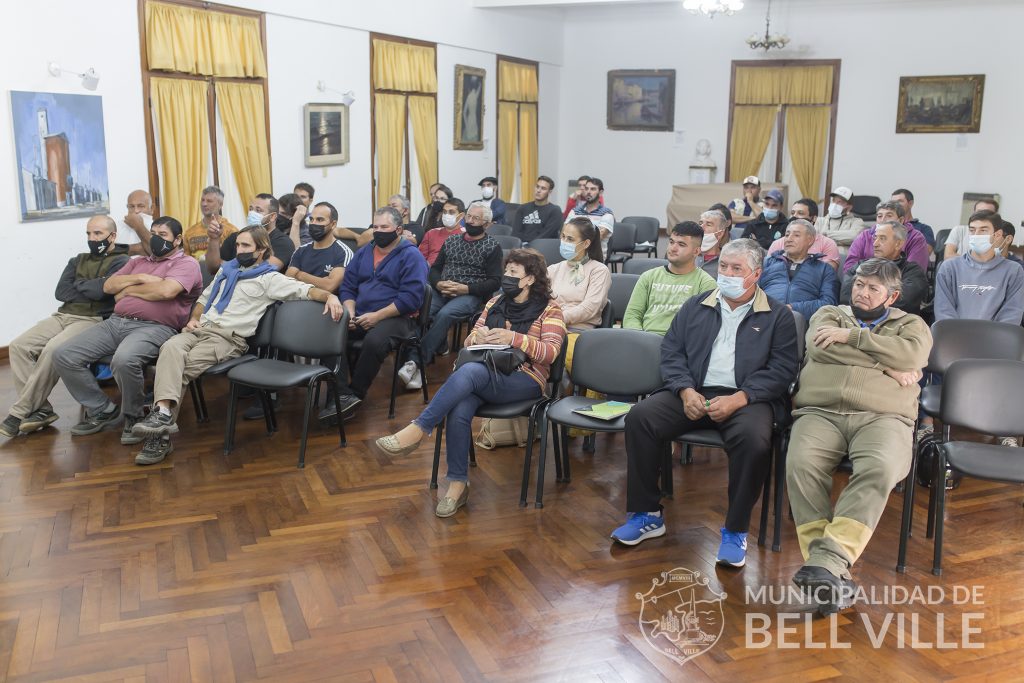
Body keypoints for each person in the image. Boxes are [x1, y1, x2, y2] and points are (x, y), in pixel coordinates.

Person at [610, 239, 800, 568]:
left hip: (747, 398)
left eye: (736, 268)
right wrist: (685, 390)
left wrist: (740, 398)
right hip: (694, 390)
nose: (726, 273)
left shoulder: (778, 315)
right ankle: (647, 514)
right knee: (641, 417)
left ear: (755, 274)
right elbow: (672, 352)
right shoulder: (696, 305)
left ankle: (735, 530)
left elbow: (782, 370)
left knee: (753, 439)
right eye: (723, 266)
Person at [127, 225, 344, 465]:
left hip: (228, 338)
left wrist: (330, 296)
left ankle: (159, 436)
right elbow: (203, 299)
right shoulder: (226, 271)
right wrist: (194, 318)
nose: (239, 250)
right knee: (169, 347)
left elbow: (306, 291)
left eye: (246, 245)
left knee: (178, 369)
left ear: (261, 250)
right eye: (238, 245)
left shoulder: (269, 279)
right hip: (200, 329)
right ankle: (163, 414)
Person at [374, 248, 566, 518]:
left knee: (470, 373)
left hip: (525, 379)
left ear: (530, 279)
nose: (507, 276)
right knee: (460, 404)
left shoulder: (550, 309)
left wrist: (514, 338)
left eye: (513, 272)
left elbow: (551, 353)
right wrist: (478, 337)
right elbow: (469, 340)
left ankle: (420, 428)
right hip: (486, 373)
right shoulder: (495, 302)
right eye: (506, 271)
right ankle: (457, 485)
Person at [787, 258, 931, 614]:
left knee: (881, 468)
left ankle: (826, 564)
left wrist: (853, 338)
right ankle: (829, 569)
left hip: (884, 416)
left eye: (872, 288)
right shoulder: (830, 314)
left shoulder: (911, 324)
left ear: (892, 296)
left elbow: (913, 354)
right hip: (820, 411)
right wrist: (888, 365)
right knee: (801, 464)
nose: (862, 293)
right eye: (859, 285)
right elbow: (820, 347)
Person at [52, 217, 203, 443]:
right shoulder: (137, 262)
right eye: (153, 234)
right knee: (64, 355)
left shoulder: (187, 263)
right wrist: (141, 278)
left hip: (156, 327)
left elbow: (166, 291)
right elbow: (108, 286)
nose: (156, 239)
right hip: (116, 322)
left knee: (124, 360)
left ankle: (133, 416)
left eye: (162, 235)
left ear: (177, 239)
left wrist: (128, 290)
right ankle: (102, 409)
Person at [1, 216, 130, 438]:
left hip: (93, 319)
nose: (92, 238)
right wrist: (94, 286)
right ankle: (41, 410)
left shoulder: (122, 261)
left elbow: (102, 294)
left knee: (53, 349)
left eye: (98, 233)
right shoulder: (77, 260)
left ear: (112, 236)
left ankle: (19, 412)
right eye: (88, 234)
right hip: (63, 315)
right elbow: (61, 292)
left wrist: (82, 285)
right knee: (19, 346)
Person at [926, 210, 1024, 446]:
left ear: (997, 235)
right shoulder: (949, 268)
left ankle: (1005, 430)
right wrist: (961, 344)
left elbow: (1011, 314)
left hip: (995, 349)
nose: (976, 235)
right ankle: (927, 426)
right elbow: (944, 312)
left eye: (983, 230)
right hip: (954, 347)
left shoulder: (1013, 271)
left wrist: (988, 345)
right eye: (972, 230)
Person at [331, 207, 429, 419]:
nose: (378, 231)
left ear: (399, 230)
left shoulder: (412, 256)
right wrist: (349, 312)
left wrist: (377, 316)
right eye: (375, 227)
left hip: (398, 318)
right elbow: (348, 286)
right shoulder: (364, 252)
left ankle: (355, 394)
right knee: (330, 332)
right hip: (360, 313)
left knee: (374, 341)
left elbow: (411, 299)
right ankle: (340, 393)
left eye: (384, 227)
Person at [398, 202, 502, 390]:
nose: (470, 221)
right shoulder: (452, 240)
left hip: (470, 294)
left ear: (486, 224)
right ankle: (415, 365)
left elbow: (495, 282)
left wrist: (466, 289)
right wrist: (438, 283)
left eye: (476, 218)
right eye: (469, 216)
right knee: (421, 312)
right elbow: (435, 269)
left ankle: (416, 362)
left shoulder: (492, 247)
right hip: (443, 290)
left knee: (445, 315)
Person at [623, 221, 716, 336]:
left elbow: (704, 325)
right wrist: (639, 339)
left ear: (696, 251)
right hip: (645, 340)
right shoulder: (648, 277)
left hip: (681, 344)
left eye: (681, 244)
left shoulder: (706, 284)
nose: (673, 248)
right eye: (671, 242)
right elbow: (632, 315)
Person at [840, 221, 928, 317]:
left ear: (898, 244)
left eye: (882, 238)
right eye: (875, 238)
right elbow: (845, 296)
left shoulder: (912, 272)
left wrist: (866, 308)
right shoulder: (860, 265)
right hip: (853, 319)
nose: (875, 244)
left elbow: (904, 302)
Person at [758, 219, 838, 319]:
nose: (789, 239)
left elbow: (829, 303)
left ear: (810, 240)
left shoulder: (824, 269)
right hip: (764, 316)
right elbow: (750, 293)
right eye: (787, 235)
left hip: (800, 320)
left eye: (796, 235)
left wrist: (793, 308)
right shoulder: (766, 263)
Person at [549, 217, 612, 332]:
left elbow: (590, 308)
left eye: (570, 239)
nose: (564, 242)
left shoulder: (599, 271)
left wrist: (557, 317)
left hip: (578, 331)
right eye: (563, 236)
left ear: (586, 243)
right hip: (548, 327)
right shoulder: (553, 269)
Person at [208, 194, 295, 275]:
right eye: (250, 209)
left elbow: (262, 270)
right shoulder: (235, 237)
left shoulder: (283, 242)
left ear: (272, 217)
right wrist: (214, 239)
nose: (252, 213)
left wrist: (228, 266)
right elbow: (214, 269)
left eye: (258, 210)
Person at [286, 201, 354, 294]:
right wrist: (320, 281)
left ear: (333, 224)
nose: (313, 223)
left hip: (327, 301)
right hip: (299, 298)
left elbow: (329, 286)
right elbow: (288, 281)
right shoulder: (301, 250)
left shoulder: (344, 252)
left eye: (320, 220)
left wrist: (300, 275)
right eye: (311, 219)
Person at [843, 201, 928, 273]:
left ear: (901, 220)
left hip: (898, 284)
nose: (883, 220)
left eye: (889, 216)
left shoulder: (915, 238)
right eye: (879, 216)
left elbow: (914, 272)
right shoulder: (864, 236)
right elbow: (849, 267)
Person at [769, 199, 841, 270]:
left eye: (800, 213)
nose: (794, 216)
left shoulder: (827, 244)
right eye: (792, 213)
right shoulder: (778, 243)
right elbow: (769, 270)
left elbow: (828, 273)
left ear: (814, 218)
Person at [181, 186, 238, 262]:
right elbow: (185, 260)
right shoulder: (190, 232)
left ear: (220, 205)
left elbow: (235, 260)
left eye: (209, 201)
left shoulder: (231, 231)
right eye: (202, 200)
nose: (204, 204)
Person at [511, 175, 563, 244]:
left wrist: (531, 245)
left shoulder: (555, 211)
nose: (538, 190)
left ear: (549, 192)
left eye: (543, 188)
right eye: (537, 187)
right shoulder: (522, 208)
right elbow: (515, 233)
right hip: (522, 246)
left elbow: (546, 235)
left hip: (543, 246)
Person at [418, 197, 466, 266]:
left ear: (461, 215)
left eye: (451, 212)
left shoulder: (466, 235)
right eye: (445, 212)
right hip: (429, 270)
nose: (447, 215)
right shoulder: (431, 233)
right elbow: (420, 259)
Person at [571, 177, 615, 247]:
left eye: (593, 189)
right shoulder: (575, 211)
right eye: (586, 189)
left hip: (594, 253)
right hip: (572, 251)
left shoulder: (606, 214)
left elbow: (597, 238)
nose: (588, 192)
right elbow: (564, 233)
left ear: (600, 192)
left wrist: (574, 235)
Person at [697, 208, 730, 278]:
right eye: (700, 223)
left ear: (720, 234)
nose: (701, 227)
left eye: (708, 224)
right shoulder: (688, 255)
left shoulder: (727, 261)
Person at [121, 190, 154, 256]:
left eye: (141, 206)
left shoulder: (161, 227)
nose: (136, 211)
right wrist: (139, 248)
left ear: (152, 208)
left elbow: (157, 252)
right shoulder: (117, 226)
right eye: (131, 206)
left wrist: (138, 226)